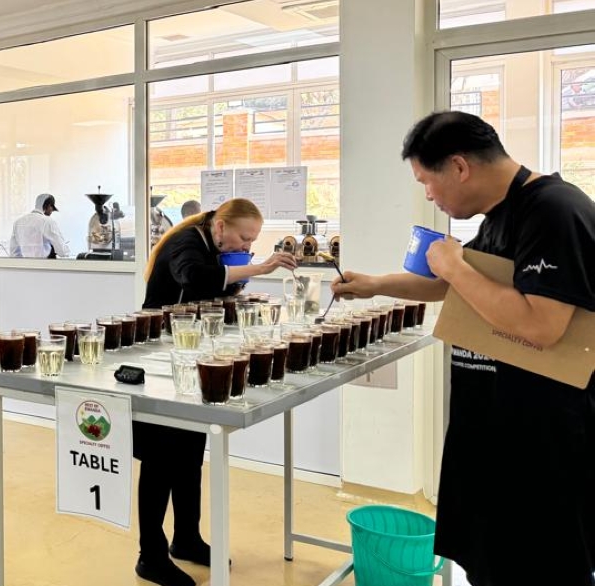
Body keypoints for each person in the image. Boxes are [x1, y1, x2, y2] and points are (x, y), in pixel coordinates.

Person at [332, 111, 595, 586]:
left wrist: (454, 267)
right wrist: (374, 285)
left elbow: (542, 325)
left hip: (542, 442)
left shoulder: (555, 211)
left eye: (426, 182)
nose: (428, 195)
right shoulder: (501, 216)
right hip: (492, 430)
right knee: (491, 562)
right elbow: (464, 287)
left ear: (458, 166)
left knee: (541, 565)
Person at [136, 198, 297, 586]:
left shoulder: (216, 246)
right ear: (220, 226)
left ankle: (186, 538)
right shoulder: (186, 243)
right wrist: (259, 267)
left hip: (193, 355)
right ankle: (150, 555)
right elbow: (197, 279)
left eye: (252, 242)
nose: (246, 247)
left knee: (190, 452)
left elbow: (216, 294)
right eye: (243, 238)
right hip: (162, 356)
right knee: (160, 458)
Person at [7, 193, 69, 258]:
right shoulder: (48, 222)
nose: (52, 211)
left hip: (25, 266)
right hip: (45, 265)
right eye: (52, 208)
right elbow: (62, 252)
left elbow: (14, 253)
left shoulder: (18, 222)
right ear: (48, 206)